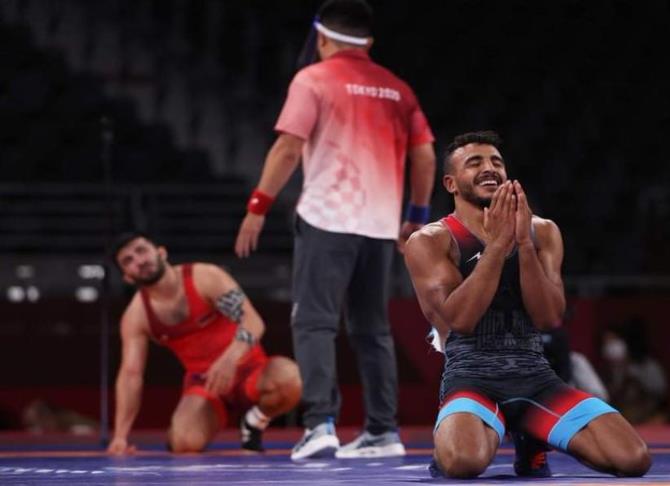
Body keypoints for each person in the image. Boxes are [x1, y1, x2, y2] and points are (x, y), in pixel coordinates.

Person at [234, 0, 436, 460]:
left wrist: (258, 206)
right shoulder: (398, 89)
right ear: (368, 42)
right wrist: (416, 218)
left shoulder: (313, 79)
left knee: (314, 322)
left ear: (323, 39)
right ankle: (383, 431)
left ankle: (320, 424)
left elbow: (288, 148)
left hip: (327, 220)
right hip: (380, 225)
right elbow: (425, 154)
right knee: (372, 328)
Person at [404, 131, 651, 479]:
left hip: (537, 378)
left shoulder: (542, 232)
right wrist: (497, 246)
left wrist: (522, 244)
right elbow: (460, 319)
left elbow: (549, 317)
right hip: (472, 379)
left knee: (632, 459)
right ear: (451, 184)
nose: (489, 168)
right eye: (474, 163)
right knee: (462, 463)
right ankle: (466, 434)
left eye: (496, 162)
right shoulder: (431, 240)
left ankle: (530, 436)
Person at [107, 232, 302, 454]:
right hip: (205, 384)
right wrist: (120, 436)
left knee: (291, 379)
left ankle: (254, 423)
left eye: (141, 250)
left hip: (251, 370)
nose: (139, 261)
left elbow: (253, 321)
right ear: (127, 277)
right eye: (128, 261)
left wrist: (230, 358)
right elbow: (131, 375)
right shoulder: (137, 315)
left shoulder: (204, 277)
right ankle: (199, 423)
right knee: (184, 443)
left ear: (161, 252)